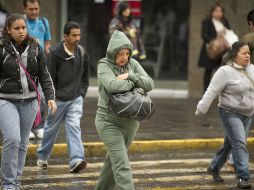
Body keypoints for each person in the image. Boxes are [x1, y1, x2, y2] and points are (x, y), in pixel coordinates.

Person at [0, 14, 56, 190]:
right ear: (8, 29)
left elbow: (44, 75)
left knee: (23, 143)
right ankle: (8, 183)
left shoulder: (35, 47)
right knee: (13, 139)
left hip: (30, 101)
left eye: (23, 28)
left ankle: (15, 181)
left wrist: (50, 97)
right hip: (6, 100)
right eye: (17, 28)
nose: (21, 31)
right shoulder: (1, 48)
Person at [95, 30, 154, 190]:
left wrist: (131, 77)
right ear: (113, 52)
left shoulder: (133, 64)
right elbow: (113, 86)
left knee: (112, 163)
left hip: (131, 122)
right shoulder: (104, 64)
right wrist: (134, 83)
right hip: (108, 122)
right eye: (120, 53)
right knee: (122, 164)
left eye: (127, 53)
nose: (124, 57)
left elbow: (149, 84)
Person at [195, 41, 253, 189]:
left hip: (247, 114)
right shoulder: (224, 72)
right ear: (235, 55)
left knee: (230, 144)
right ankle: (243, 178)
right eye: (244, 53)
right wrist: (201, 108)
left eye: (249, 53)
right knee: (240, 143)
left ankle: (214, 167)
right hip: (229, 113)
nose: (248, 55)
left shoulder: (251, 69)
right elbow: (212, 91)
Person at [37, 21, 89, 173]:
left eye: (79, 35)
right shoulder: (54, 54)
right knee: (50, 129)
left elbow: (85, 77)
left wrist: (82, 92)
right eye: (74, 35)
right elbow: (48, 79)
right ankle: (42, 157)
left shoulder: (82, 52)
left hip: (75, 98)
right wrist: (51, 98)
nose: (77, 38)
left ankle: (76, 160)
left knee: (74, 126)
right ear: (65, 36)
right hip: (57, 99)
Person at [23, 0, 52, 139]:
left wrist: (48, 50)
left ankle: (40, 125)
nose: (34, 12)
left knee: (41, 96)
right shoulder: (19, 23)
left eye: (36, 9)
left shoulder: (44, 22)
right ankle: (27, 127)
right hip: (23, 64)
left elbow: (47, 42)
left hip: (40, 64)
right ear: (25, 9)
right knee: (26, 97)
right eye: (31, 9)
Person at [198, 2, 231, 93]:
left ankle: (222, 93)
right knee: (208, 70)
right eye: (217, 11)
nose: (219, 13)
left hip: (222, 50)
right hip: (210, 49)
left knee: (222, 71)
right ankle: (206, 92)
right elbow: (204, 35)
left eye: (221, 11)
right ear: (212, 12)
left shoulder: (225, 21)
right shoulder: (207, 21)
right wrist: (214, 42)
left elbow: (229, 33)